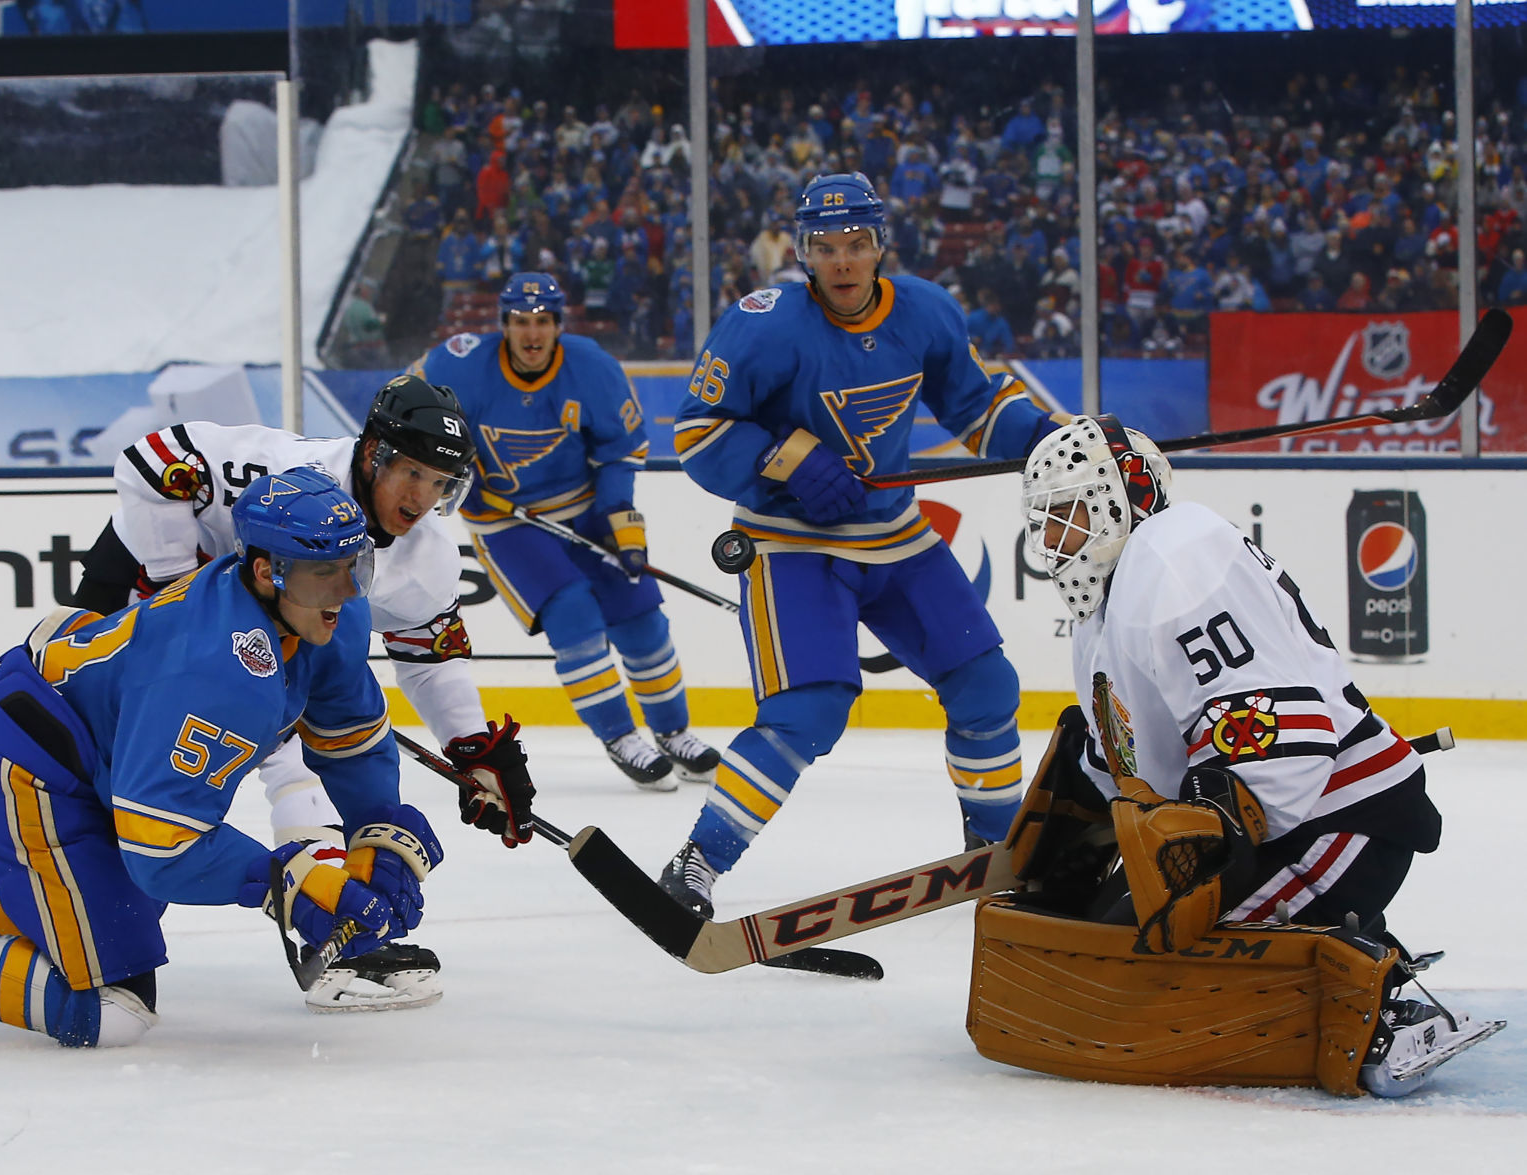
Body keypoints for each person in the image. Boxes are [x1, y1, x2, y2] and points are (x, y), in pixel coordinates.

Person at [0, 468, 444, 1047]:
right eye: (322, 572)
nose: (346, 591)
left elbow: (353, 741)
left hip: (102, 761)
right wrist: (291, 882)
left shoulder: (323, 617)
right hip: (32, 769)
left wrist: (374, 835)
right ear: (266, 571)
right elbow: (163, 849)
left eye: (353, 566)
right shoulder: (214, 667)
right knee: (112, 1011)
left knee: (103, 901)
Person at [1002, 414, 1499, 1096]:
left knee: (1134, 973)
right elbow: (1136, 760)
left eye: (1069, 515)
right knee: (1095, 944)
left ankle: (1381, 1000)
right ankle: (1352, 935)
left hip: (1334, 817)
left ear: (1127, 498)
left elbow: (1270, 731)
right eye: (1045, 522)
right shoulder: (1106, 611)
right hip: (1276, 824)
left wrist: (1208, 844)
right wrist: (1081, 818)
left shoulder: (1177, 552)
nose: (1055, 541)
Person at [662, 173, 1062, 917]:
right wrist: (787, 458)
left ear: (881, 245)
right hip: (790, 545)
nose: (841, 261)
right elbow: (696, 431)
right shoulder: (762, 323)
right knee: (808, 710)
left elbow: (975, 407)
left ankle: (991, 859)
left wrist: (1049, 437)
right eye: (825, 246)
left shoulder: (926, 311)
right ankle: (696, 862)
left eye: (855, 244)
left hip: (897, 537)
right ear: (801, 250)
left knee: (986, 689)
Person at [69, 375, 536, 1011]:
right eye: (413, 474)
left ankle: (328, 921)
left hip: (271, 641)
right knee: (131, 799)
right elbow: (153, 460)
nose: (423, 499)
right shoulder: (287, 466)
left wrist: (473, 744)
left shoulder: (426, 554)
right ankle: (327, 926)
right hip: (133, 612)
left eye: (440, 484)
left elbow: (428, 655)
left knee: (312, 748)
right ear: (373, 453)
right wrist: (180, 591)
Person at [412, 271, 721, 790]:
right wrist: (456, 475)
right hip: (509, 522)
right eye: (519, 322)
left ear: (559, 324)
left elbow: (621, 452)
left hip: (587, 509)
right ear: (503, 324)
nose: (531, 334)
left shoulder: (593, 367)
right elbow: (413, 419)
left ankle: (673, 731)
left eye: (542, 322)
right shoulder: (460, 364)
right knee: (572, 610)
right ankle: (620, 737)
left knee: (642, 617)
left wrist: (620, 520)